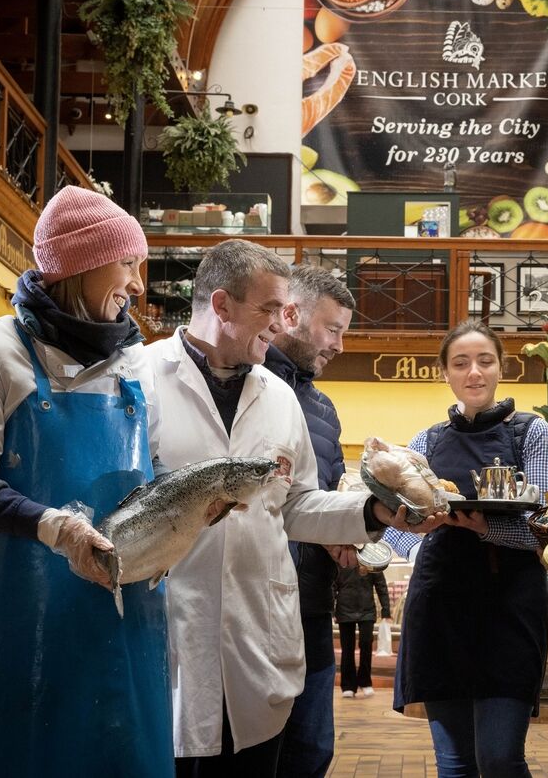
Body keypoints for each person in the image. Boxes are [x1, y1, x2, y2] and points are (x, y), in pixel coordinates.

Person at [146, 241, 424, 776]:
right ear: (222, 306)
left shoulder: (280, 397)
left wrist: (373, 513)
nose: (278, 325)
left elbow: (293, 504)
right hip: (171, 626)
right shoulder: (139, 377)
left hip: (259, 635)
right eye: (268, 310)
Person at [0, 185, 170, 776]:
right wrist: (54, 527)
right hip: (26, 625)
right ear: (81, 264)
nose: (138, 284)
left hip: (129, 627)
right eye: (128, 262)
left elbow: (160, 480)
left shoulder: (139, 364)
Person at [392, 320, 548, 778]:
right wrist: (409, 537)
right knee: (455, 765)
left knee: (500, 758)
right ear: (445, 372)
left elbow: (544, 531)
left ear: (502, 368)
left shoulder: (532, 432)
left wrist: (486, 527)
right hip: (440, 604)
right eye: (461, 363)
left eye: (485, 361)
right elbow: (398, 523)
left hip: (508, 608)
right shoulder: (425, 441)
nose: (474, 373)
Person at [270, 264, 356, 778]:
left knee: (312, 752)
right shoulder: (242, 386)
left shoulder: (324, 409)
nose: (340, 345)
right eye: (333, 330)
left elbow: (329, 499)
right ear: (291, 314)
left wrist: (345, 538)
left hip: (311, 612)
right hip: (253, 609)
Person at [334, 563, 391, 698]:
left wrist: (386, 609)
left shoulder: (370, 558)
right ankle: (348, 685)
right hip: (344, 609)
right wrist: (331, 608)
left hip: (367, 610)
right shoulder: (341, 558)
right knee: (347, 648)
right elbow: (332, 584)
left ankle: (365, 682)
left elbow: (381, 585)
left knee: (366, 644)